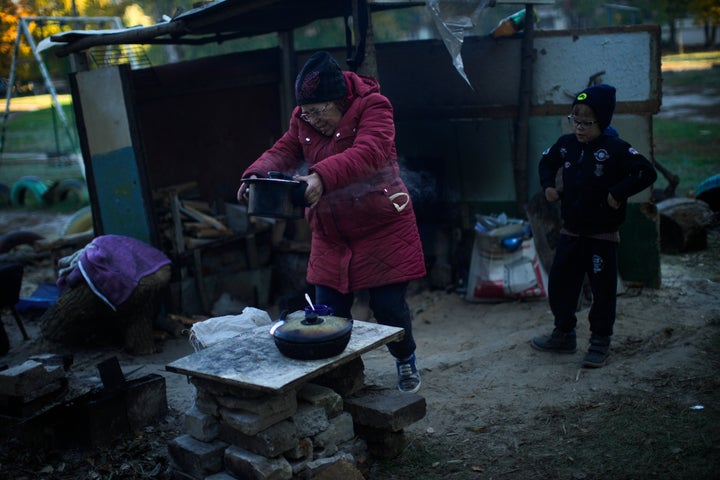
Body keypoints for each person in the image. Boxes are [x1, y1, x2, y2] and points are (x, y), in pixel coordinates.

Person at [237, 51, 426, 392]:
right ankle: (344, 379)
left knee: (389, 310)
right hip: (332, 233)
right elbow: (282, 150)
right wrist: (255, 175)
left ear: (338, 99)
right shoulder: (304, 118)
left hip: (381, 226)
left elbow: (369, 153)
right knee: (327, 314)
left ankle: (405, 358)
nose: (311, 120)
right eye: (306, 113)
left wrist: (320, 177)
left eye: (318, 111)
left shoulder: (375, 107)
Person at [531, 84, 657, 368]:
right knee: (561, 284)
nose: (580, 128)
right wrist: (549, 186)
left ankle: (600, 341)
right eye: (575, 120)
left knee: (602, 292)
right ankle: (564, 334)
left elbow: (645, 172)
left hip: (602, 235)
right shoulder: (566, 145)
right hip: (571, 232)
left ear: (603, 121)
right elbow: (546, 163)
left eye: (587, 123)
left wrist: (617, 193)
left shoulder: (616, 149)